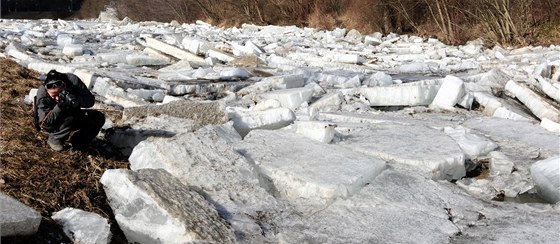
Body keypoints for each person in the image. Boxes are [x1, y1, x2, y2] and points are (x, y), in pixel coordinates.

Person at [35, 69, 105, 151]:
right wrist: (60, 106)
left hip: (73, 113)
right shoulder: (42, 93)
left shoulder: (72, 80)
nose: (57, 98)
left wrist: (74, 98)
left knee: (98, 117)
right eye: (54, 96)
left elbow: (90, 101)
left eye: (59, 93)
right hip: (54, 121)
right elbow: (44, 123)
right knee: (70, 116)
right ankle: (55, 139)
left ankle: (78, 143)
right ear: (47, 91)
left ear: (64, 85)